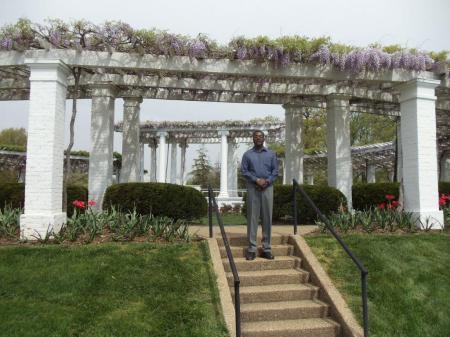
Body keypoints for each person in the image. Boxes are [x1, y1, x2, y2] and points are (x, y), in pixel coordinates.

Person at [241, 130, 278, 260]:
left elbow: (275, 172)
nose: (258, 138)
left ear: (264, 139)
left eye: (260, 136)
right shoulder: (247, 155)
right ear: (253, 139)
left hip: (268, 188)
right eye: (256, 137)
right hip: (253, 188)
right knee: (252, 218)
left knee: (267, 218)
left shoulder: (271, 154)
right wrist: (256, 180)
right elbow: (244, 171)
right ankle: (252, 249)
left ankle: (266, 248)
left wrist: (266, 181)